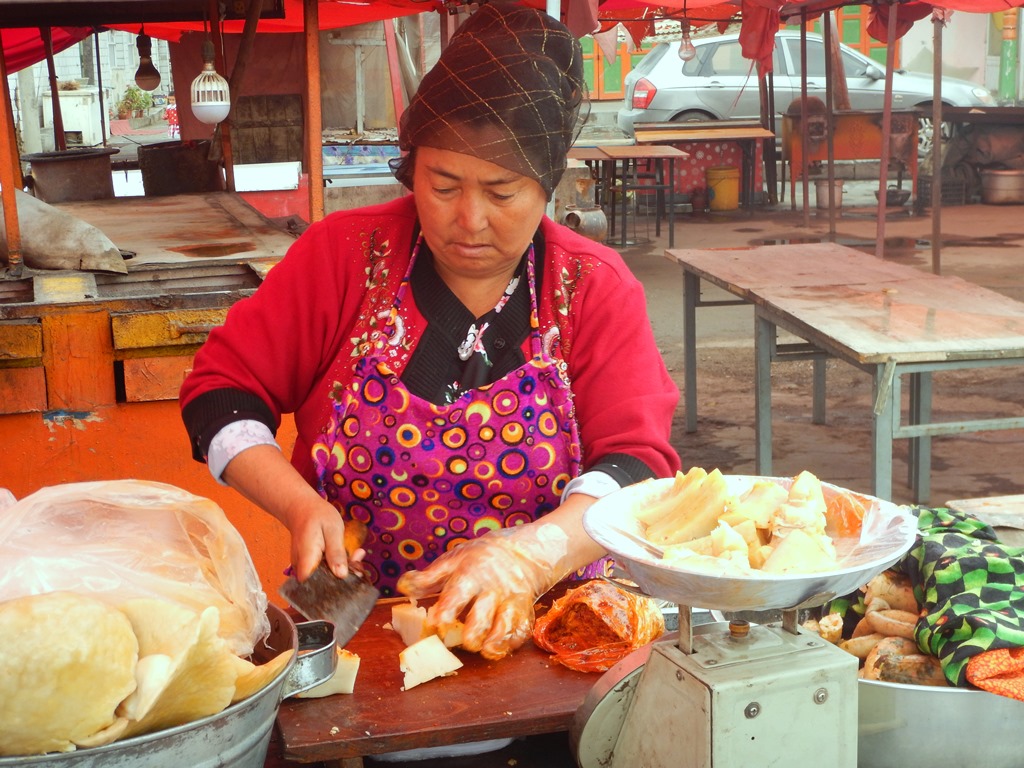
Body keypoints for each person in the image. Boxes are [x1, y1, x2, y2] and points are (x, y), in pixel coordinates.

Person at [179, 1, 680, 661]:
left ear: (548, 186)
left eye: (501, 193)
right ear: (410, 167)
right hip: (364, 641)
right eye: (443, 185)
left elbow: (637, 466)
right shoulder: (343, 258)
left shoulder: (589, 287)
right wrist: (300, 507)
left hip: (550, 637)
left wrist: (532, 554)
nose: (469, 220)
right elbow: (219, 393)